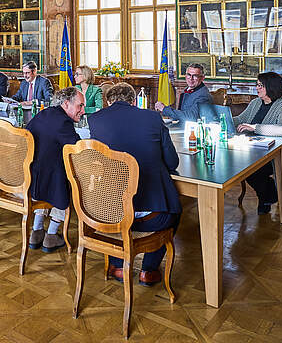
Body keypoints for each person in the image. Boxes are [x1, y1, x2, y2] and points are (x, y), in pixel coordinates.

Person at [88, 83, 182, 287]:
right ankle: (148, 271)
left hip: (110, 213)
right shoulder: (152, 118)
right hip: (152, 215)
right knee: (174, 210)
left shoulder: (94, 120)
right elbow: (172, 162)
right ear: (133, 101)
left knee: (114, 202)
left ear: (109, 101)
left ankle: (118, 266)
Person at [26, 86, 85, 252]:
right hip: (49, 179)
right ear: (66, 104)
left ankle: (36, 231)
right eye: (80, 106)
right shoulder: (63, 121)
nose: (83, 110)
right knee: (70, 178)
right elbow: (77, 147)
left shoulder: (45, 113)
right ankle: (51, 235)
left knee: (57, 169)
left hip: (32, 175)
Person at [233, 71, 282, 215]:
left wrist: (255, 127)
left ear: (271, 87)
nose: (257, 88)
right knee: (238, 165)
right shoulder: (256, 102)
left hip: (277, 154)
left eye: (260, 85)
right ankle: (269, 194)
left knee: (250, 169)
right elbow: (240, 119)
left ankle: (267, 195)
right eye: (256, 85)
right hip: (253, 149)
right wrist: (223, 119)